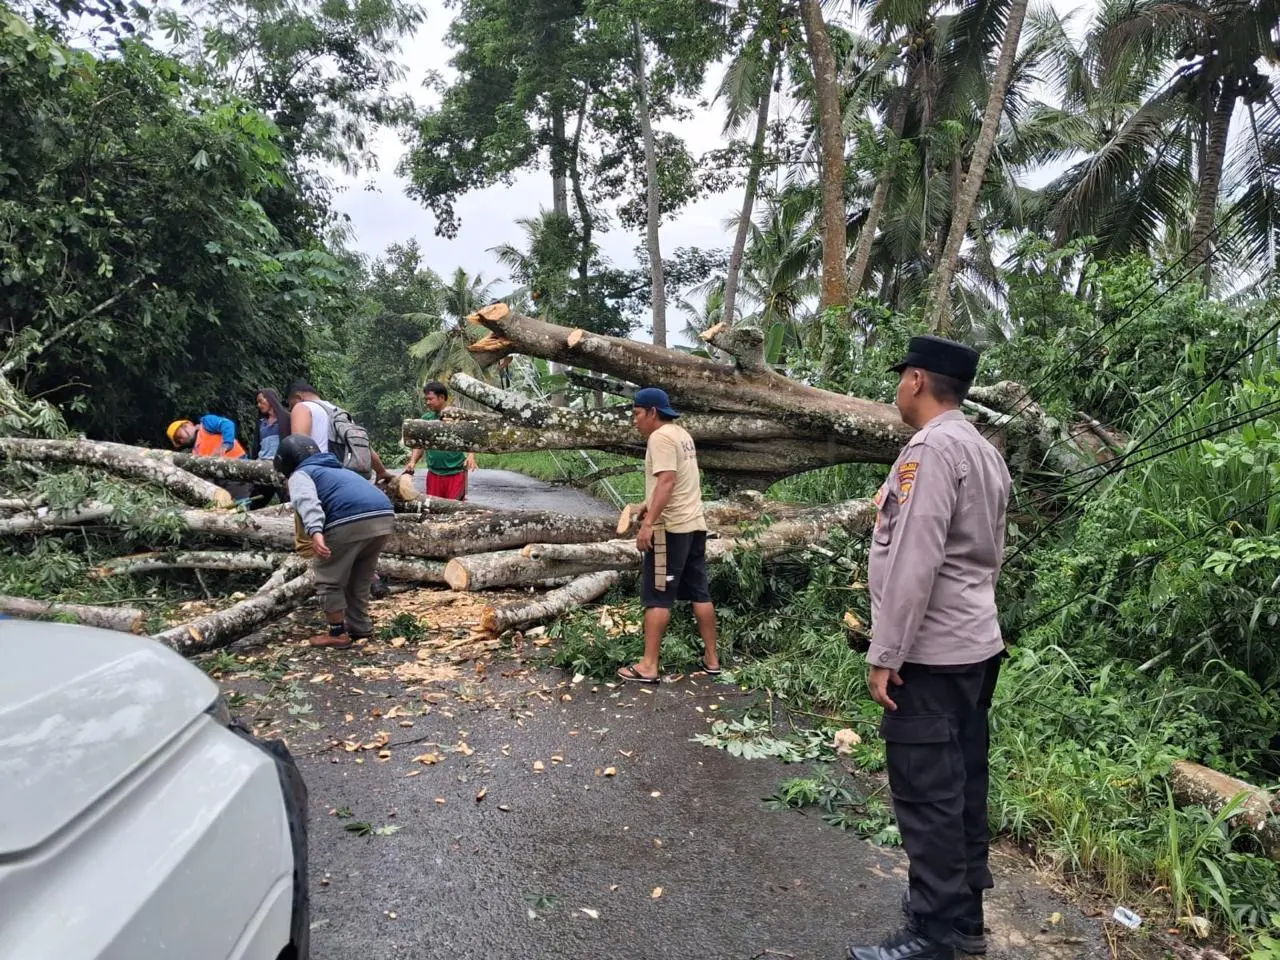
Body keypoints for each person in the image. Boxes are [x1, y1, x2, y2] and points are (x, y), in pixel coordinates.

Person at [846, 335, 1011, 960]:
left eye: (900, 379)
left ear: (916, 379)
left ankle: (934, 934)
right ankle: (964, 919)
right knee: (963, 785)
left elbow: (915, 559)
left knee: (927, 794)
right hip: (975, 645)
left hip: (932, 656)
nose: (897, 390)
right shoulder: (981, 447)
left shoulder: (932, 449)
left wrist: (886, 653)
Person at [615, 387, 719, 685]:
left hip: (670, 530)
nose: (635, 421)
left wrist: (648, 524)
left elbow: (667, 482)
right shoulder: (680, 434)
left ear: (652, 412)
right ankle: (712, 659)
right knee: (700, 592)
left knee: (657, 596)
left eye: (637, 414)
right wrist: (643, 506)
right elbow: (676, 482)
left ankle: (649, 665)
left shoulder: (658, 438)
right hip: (694, 524)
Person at [274, 434, 395, 649]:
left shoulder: (301, 474)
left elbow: (307, 501)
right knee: (360, 576)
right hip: (383, 515)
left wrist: (315, 531)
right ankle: (360, 625)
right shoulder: (339, 470)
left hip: (349, 519)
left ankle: (338, 633)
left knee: (328, 577)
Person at [285, 380, 391, 598]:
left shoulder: (301, 408)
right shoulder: (337, 411)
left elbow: (297, 446)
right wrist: (382, 472)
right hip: (344, 479)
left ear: (297, 397)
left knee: (312, 541)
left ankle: (322, 589)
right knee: (347, 539)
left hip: (316, 480)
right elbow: (365, 447)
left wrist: (296, 481)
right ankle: (370, 580)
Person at [401, 381, 477, 500]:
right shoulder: (426, 419)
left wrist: (471, 455)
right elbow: (420, 444)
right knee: (433, 509)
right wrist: (413, 461)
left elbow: (472, 436)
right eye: (426, 399)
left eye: (430, 399)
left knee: (455, 509)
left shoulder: (457, 416)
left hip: (456, 472)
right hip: (434, 473)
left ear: (441, 397)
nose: (427, 402)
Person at [166, 414, 253, 503]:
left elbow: (227, 424)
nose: (181, 440)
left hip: (236, 468)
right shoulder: (195, 452)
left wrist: (225, 445)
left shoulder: (206, 423)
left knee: (241, 505)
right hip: (221, 479)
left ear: (188, 425)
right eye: (178, 440)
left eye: (180, 436)